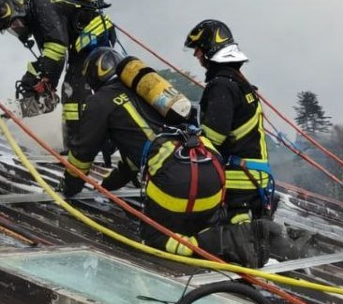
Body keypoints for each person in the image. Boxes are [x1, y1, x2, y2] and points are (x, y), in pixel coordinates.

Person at [63, 47, 266, 265]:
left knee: (156, 239)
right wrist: (107, 185)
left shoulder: (100, 101)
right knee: (193, 226)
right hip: (209, 166)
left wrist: (69, 189)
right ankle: (241, 233)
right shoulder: (148, 95)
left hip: (175, 176)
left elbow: (82, 154)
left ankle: (226, 243)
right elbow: (132, 160)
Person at [0, 0, 115, 151]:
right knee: (71, 92)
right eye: (12, 29)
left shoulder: (40, 8)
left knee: (74, 90)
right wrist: (37, 80)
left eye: (16, 24)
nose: (17, 30)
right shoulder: (37, 18)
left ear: (20, 10)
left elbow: (56, 49)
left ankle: (82, 147)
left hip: (94, 35)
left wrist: (43, 81)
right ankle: (76, 145)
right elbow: (50, 55)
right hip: (82, 42)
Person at [183, 19, 274, 223]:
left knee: (232, 240)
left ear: (208, 49)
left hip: (239, 183)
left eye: (197, 49)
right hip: (254, 178)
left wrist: (189, 136)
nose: (195, 55)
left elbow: (214, 137)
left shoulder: (222, 86)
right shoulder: (240, 83)